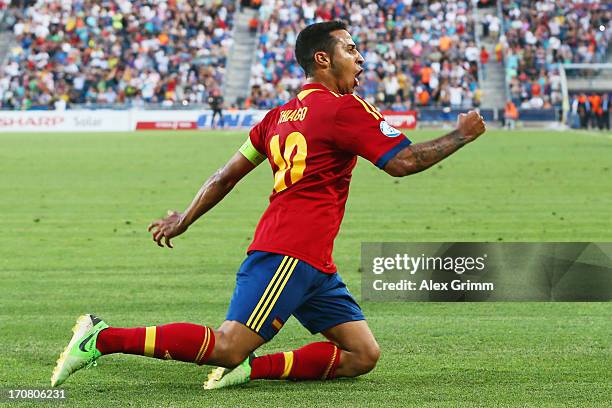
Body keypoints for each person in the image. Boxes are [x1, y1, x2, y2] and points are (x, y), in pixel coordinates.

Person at [51, 21, 486, 390]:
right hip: (288, 253)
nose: (361, 59)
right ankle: (102, 338)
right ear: (323, 59)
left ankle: (246, 369)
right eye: (351, 50)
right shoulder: (344, 109)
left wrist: (184, 218)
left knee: (361, 354)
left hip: (315, 262)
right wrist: (461, 135)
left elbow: (225, 176)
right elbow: (404, 162)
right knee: (226, 344)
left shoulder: (276, 118)